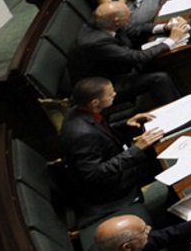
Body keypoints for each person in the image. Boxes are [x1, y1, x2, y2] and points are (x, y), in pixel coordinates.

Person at [59, 77, 168, 212]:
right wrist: (136, 149)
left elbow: (99, 130)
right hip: (113, 186)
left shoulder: (79, 110)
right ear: (95, 102)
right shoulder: (83, 135)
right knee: (165, 159)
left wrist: (126, 123)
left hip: (115, 155)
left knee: (160, 146)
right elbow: (93, 175)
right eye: (110, 94)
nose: (115, 94)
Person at [73, 0, 183, 110]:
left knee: (163, 61)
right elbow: (137, 58)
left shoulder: (105, 21)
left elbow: (135, 29)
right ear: (116, 21)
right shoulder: (96, 42)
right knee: (160, 78)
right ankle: (175, 113)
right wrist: (172, 40)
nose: (129, 18)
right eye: (128, 16)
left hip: (120, 66)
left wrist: (166, 27)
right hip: (107, 85)